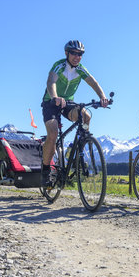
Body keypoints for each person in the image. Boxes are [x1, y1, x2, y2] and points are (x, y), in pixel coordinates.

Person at [41, 40, 109, 187]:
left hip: (68, 103)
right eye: (74, 53)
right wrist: (54, 97)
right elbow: (51, 82)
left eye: (80, 54)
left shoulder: (81, 69)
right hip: (51, 103)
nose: (77, 57)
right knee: (52, 135)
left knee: (86, 115)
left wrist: (102, 97)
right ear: (67, 53)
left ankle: (77, 149)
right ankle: (45, 170)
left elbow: (94, 83)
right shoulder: (59, 66)